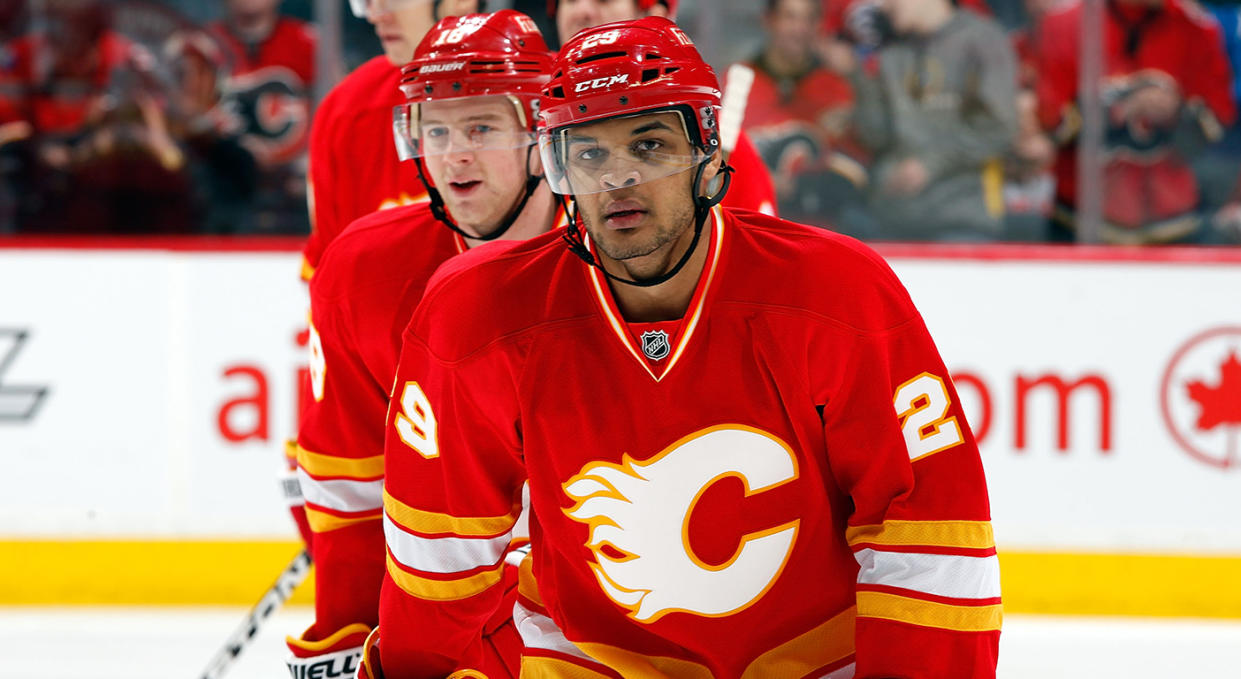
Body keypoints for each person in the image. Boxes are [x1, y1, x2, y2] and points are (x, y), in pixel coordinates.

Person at [372, 17, 1000, 679]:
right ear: (552, 165)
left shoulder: (835, 294)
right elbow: (439, 553)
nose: (616, 178)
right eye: (587, 154)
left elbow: (927, 531)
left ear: (706, 152)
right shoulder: (477, 316)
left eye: (647, 145)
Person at [286, 11, 561, 678]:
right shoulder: (363, 271)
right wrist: (345, 635)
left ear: (540, 133)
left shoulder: (621, 262)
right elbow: (348, 480)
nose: (452, 153)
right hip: (455, 624)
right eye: (433, 129)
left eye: (481, 127)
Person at [548, 0, 780, 216]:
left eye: (604, 0)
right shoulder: (519, 120)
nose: (581, 12)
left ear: (654, 15)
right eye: (569, 0)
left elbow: (755, 253)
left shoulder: (708, 134)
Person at [302, 0, 479, 279]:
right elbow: (330, 278)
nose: (375, 15)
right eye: (367, 2)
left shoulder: (550, 98)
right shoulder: (346, 110)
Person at [1035, 0, 1237, 243]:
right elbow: (1050, 123)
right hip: (1079, 223)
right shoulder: (1065, 23)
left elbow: (1218, 122)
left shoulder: (1197, 27)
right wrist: (1115, 109)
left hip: (1174, 225)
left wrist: (1177, 113)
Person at [738, 0, 863, 230]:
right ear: (769, 21)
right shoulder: (738, 82)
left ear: (819, 25)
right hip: (753, 225)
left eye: (808, 19)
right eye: (790, 17)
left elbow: (858, 172)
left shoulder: (837, 86)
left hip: (826, 227)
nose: (799, 28)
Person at [210, 0, 317, 233]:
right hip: (222, 192)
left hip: (295, 194)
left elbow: (336, 113)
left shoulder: (309, 43)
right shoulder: (204, 46)